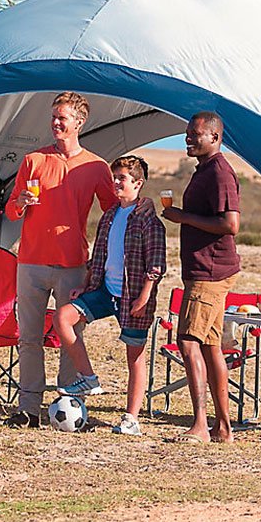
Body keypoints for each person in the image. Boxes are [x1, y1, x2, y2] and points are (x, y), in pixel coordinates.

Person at [4, 91, 117, 428]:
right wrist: (21, 202)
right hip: (31, 263)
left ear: (79, 123)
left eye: (62, 117)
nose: (55, 123)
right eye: (53, 116)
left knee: (72, 335)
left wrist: (103, 262)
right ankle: (29, 409)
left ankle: (70, 405)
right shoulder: (33, 160)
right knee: (29, 338)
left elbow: (113, 214)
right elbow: (10, 211)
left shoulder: (96, 166)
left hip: (73, 266)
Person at [52, 155, 166, 436]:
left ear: (138, 183)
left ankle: (131, 418)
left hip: (134, 297)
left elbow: (156, 265)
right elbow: (99, 256)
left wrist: (144, 297)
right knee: (63, 317)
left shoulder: (149, 221)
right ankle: (88, 377)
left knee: (134, 357)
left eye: (122, 179)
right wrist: (88, 283)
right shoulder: (110, 215)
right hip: (105, 291)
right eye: (114, 178)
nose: (116, 183)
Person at [160, 112, 241, 444]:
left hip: (210, 272)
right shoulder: (206, 171)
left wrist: (183, 218)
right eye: (187, 133)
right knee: (209, 346)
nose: (188, 138)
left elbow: (230, 224)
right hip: (205, 269)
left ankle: (200, 426)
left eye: (195, 134)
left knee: (188, 341)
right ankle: (222, 428)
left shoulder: (220, 173)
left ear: (215, 137)